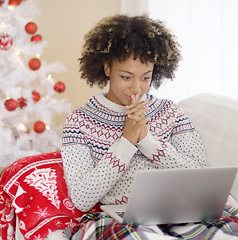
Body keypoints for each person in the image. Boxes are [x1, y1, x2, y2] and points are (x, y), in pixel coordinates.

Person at [61, 14, 208, 213]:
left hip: (179, 210)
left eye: (145, 77)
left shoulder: (170, 111)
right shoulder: (79, 122)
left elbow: (203, 178)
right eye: (126, 77)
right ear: (106, 67)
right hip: (122, 219)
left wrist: (147, 140)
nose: (136, 88)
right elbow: (81, 198)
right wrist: (127, 141)